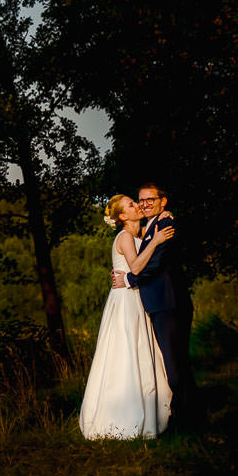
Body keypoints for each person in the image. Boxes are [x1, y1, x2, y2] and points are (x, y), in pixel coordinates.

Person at [79, 194, 174, 439]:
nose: (138, 206)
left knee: (140, 350)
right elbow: (136, 267)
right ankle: (125, 416)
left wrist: (161, 216)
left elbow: (149, 235)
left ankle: (149, 409)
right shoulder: (124, 237)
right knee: (128, 351)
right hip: (125, 300)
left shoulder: (138, 235)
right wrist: (156, 242)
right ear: (123, 216)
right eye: (132, 205)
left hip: (132, 297)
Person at [112, 182, 195, 428]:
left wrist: (129, 278)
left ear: (163, 201)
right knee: (173, 362)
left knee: (175, 364)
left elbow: (155, 263)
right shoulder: (148, 227)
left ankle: (185, 419)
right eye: (141, 200)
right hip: (158, 304)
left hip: (169, 303)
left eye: (150, 199)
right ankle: (187, 414)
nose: (145, 203)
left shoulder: (164, 224)